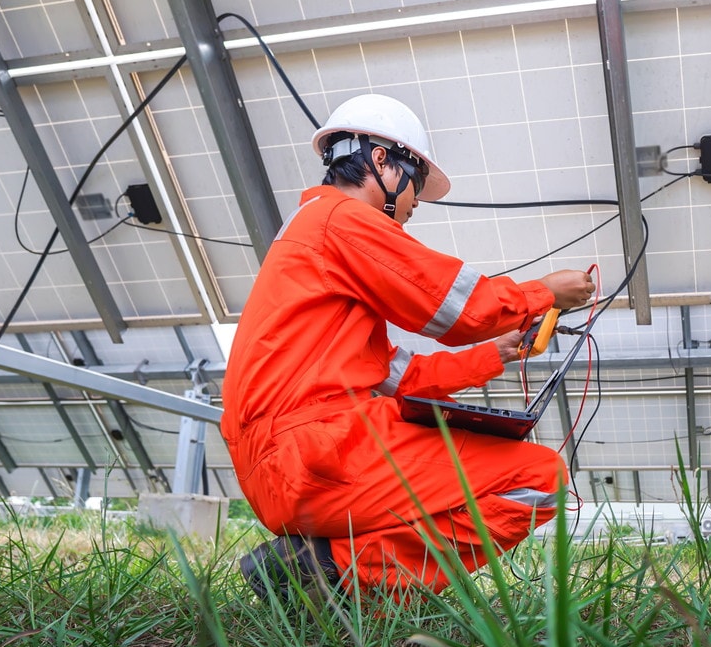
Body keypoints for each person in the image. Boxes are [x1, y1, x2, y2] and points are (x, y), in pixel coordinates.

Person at [220, 93, 594, 601]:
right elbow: (459, 309)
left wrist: (498, 352)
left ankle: (326, 575)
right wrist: (545, 293)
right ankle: (331, 569)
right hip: (317, 451)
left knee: (490, 467)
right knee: (539, 478)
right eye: (415, 185)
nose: (416, 204)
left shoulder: (312, 245)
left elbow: (398, 374)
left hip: (285, 465)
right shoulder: (342, 221)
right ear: (381, 161)